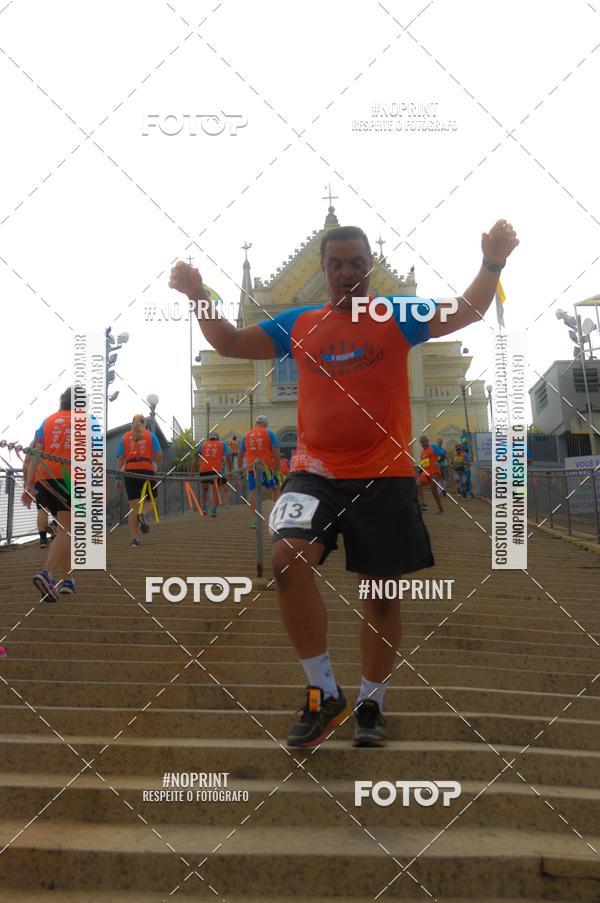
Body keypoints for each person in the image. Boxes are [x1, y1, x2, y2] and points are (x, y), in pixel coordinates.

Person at [170, 217, 518, 748]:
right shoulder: (301, 321)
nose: (347, 273)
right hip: (314, 471)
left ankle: (371, 703)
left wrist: (492, 262)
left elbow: (463, 312)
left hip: (385, 474)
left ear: (370, 267)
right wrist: (199, 297)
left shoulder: (396, 314)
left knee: (380, 596)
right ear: (324, 270)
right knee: (287, 558)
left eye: (357, 263)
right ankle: (322, 692)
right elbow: (231, 340)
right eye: (336, 265)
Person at [28, 388, 74, 602]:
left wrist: (29, 486)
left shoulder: (47, 421)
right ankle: (47, 573)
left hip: (43, 478)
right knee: (68, 530)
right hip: (66, 478)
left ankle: (67, 582)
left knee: (64, 530)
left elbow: (35, 453)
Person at [116, 414, 162, 547]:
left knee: (132, 507)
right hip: (146, 470)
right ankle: (143, 513)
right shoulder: (150, 435)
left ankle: (135, 540)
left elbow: (120, 460)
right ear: (145, 424)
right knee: (153, 499)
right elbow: (159, 455)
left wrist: (118, 478)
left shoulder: (124, 437)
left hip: (130, 472)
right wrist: (154, 464)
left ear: (132, 424)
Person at [238, 416, 281, 528]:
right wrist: (278, 467)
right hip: (269, 467)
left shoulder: (246, 435)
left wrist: (240, 470)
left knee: (253, 492)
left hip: (252, 468)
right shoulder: (269, 433)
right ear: (265, 424)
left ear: (256, 424)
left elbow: (240, 454)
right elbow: (275, 451)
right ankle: (276, 516)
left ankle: (254, 519)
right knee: (275, 488)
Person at [21, 438, 57, 547]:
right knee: (60, 507)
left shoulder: (34, 444)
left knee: (42, 508)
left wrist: (28, 483)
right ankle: (56, 527)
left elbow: (26, 463)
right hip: (56, 476)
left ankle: (43, 539)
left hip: (38, 480)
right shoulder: (55, 440)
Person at [192, 432, 232, 516]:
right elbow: (228, 457)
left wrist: (192, 472)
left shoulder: (203, 445)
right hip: (216, 470)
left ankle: (204, 507)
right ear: (217, 438)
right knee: (215, 490)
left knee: (204, 490)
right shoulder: (222, 444)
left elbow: (196, 457)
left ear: (209, 438)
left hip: (204, 470)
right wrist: (230, 470)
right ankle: (213, 509)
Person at [416, 435, 444, 514]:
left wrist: (438, 461)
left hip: (434, 471)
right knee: (417, 485)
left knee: (433, 490)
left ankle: (440, 508)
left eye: (424, 441)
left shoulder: (433, 447)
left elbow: (443, 453)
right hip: (426, 472)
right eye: (421, 442)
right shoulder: (422, 453)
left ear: (427, 441)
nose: (422, 443)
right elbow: (423, 464)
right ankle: (423, 504)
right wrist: (419, 471)